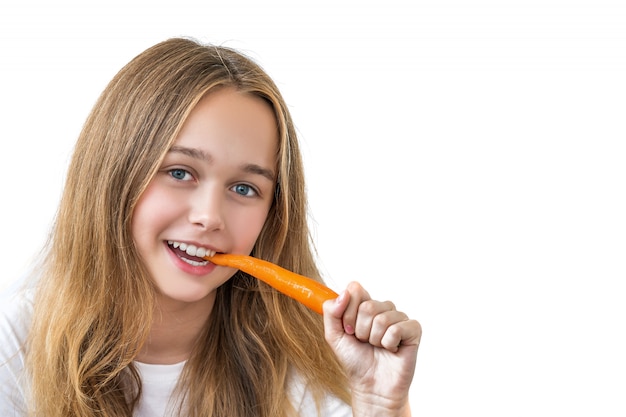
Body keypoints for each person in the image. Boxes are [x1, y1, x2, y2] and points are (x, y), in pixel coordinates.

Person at [0, 37, 421, 417]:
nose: (210, 216)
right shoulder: (13, 347)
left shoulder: (304, 365)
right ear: (113, 176)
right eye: (181, 172)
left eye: (244, 187)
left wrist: (381, 405)